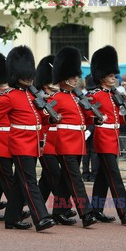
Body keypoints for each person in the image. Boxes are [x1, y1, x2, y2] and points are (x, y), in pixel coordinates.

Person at [0, 47, 56, 231]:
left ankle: (11, 218)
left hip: (32, 143)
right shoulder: (9, 97)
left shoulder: (32, 96)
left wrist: (50, 118)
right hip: (20, 143)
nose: (29, 78)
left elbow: (39, 119)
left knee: (19, 182)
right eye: (25, 75)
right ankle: (41, 217)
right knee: (30, 181)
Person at [49, 46, 100, 228]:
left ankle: (58, 212)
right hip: (65, 143)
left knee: (65, 179)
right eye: (73, 76)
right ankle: (86, 213)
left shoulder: (77, 98)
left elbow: (86, 118)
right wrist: (52, 117)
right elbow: (47, 115)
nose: (76, 78)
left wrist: (96, 116)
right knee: (76, 179)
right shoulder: (56, 98)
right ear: (64, 79)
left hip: (78, 142)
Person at [89, 45, 126, 225]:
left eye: (113, 75)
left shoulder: (114, 95)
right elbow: (88, 114)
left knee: (102, 178)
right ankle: (124, 212)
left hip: (113, 138)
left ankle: (95, 210)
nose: (114, 78)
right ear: (102, 77)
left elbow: (118, 119)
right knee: (114, 177)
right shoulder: (95, 95)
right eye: (110, 76)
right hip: (103, 139)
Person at [35, 55, 77, 225]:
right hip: (45, 143)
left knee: (46, 181)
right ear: (46, 84)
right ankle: (61, 210)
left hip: (57, 143)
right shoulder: (41, 99)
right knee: (56, 177)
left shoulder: (57, 97)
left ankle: (35, 207)